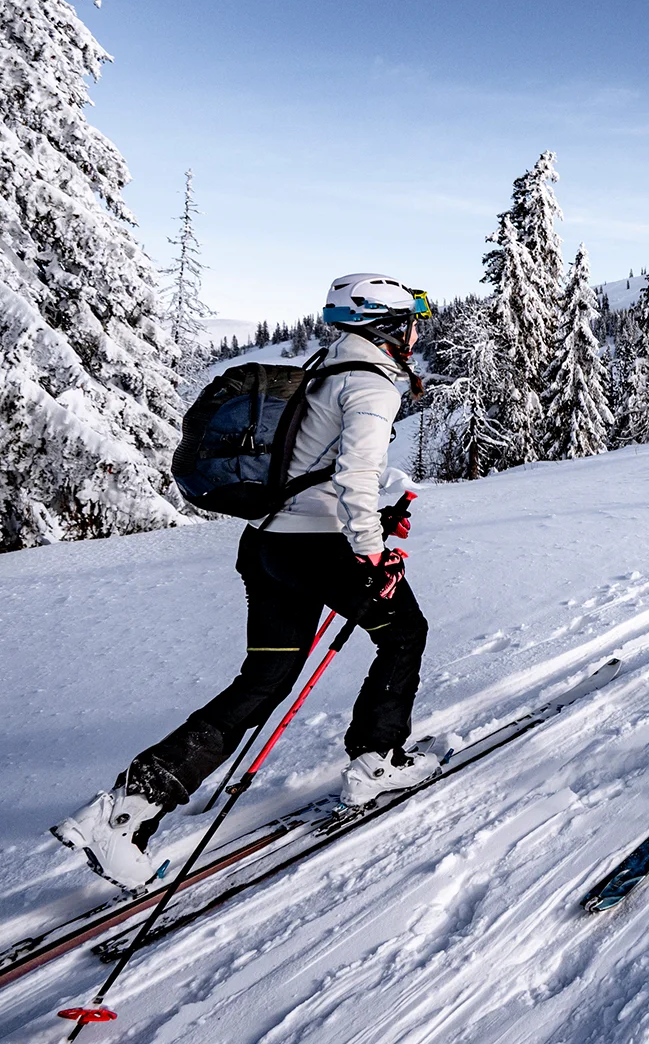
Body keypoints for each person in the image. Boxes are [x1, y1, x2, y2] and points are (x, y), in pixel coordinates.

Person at [52, 274, 439, 891]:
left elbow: (312, 467)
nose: (418, 329)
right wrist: (372, 553)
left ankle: (124, 814)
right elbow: (356, 476)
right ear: (386, 324)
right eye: (412, 316)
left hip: (268, 547)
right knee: (404, 633)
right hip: (320, 550)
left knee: (264, 680)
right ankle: (376, 760)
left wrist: (371, 515)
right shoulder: (369, 383)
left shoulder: (327, 370)